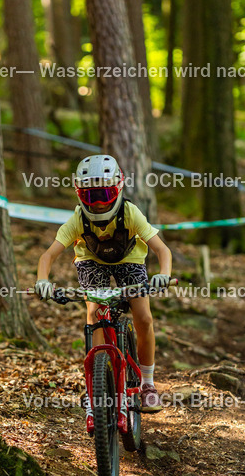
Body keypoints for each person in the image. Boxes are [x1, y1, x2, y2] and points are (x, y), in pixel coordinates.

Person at [35, 154, 172, 412]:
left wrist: (164, 273)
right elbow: (48, 255)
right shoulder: (78, 219)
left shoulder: (131, 213)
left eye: (104, 194)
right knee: (95, 312)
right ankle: (95, 385)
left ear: (118, 189)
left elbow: (162, 250)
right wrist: (42, 280)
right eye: (90, 196)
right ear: (79, 194)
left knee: (143, 317)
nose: (97, 204)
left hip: (130, 258)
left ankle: (148, 385)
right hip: (91, 259)